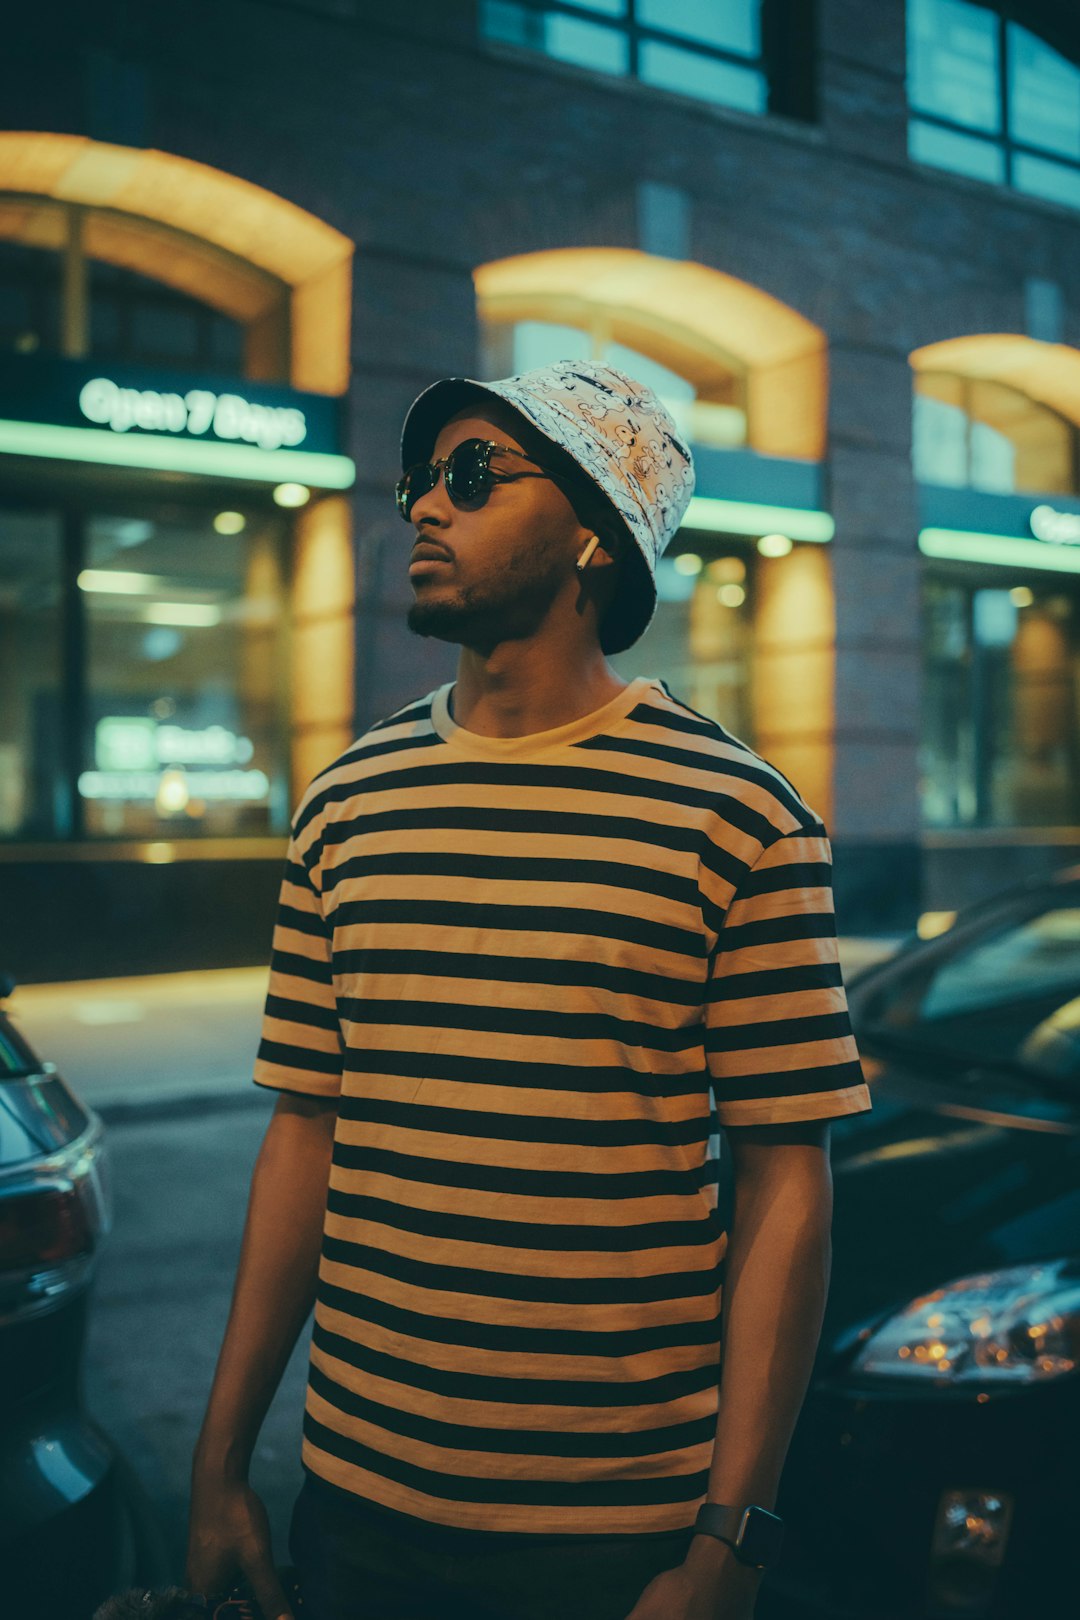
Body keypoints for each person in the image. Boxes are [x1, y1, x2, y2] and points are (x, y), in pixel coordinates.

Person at [186, 360, 873, 1620]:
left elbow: (787, 1180)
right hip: (350, 1502)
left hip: (611, 1538)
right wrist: (221, 1463)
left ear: (596, 538)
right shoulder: (346, 803)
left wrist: (729, 1543)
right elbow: (305, 1134)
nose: (423, 511)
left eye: (469, 477)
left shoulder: (741, 819)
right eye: (419, 483)